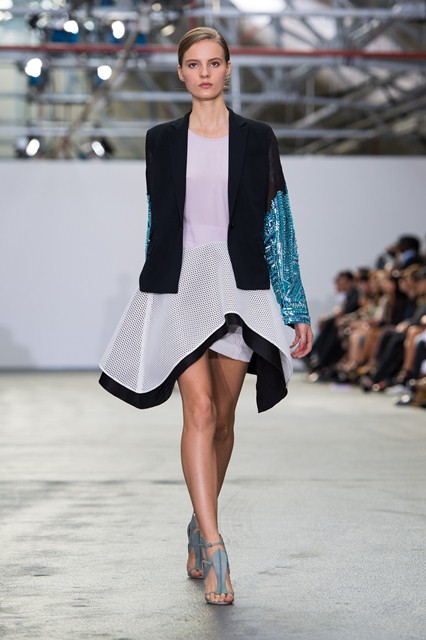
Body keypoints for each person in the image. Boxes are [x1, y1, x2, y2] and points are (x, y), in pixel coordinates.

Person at [99, 27, 312, 606]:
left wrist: (293, 304)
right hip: (183, 284)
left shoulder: (257, 137)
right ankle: (216, 546)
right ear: (180, 73)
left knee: (223, 420)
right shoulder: (161, 140)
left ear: (228, 69)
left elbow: (278, 223)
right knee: (198, 409)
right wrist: (153, 289)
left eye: (214, 63)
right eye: (193, 64)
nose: (205, 73)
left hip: (240, 284)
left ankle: (199, 521)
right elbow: (157, 220)